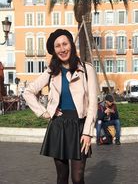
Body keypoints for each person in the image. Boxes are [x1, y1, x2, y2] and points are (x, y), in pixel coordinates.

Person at [23, 29, 98, 184]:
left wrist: (88, 133)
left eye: (65, 44)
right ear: (54, 50)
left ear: (71, 44)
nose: (62, 49)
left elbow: (93, 104)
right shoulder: (51, 71)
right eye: (58, 46)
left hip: (79, 126)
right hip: (58, 126)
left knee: (78, 178)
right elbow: (28, 92)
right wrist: (45, 112)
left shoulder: (86, 69)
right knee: (62, 177)